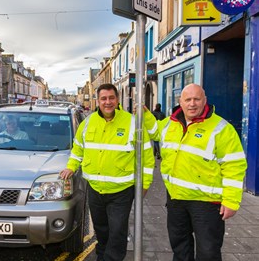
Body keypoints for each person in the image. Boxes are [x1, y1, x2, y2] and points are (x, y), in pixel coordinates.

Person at [144, 83, 247, 261]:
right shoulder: (170, 123)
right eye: (188, 99)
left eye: (196, 99)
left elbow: (234, 166)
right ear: (180, 102)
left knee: (208, 252)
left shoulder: (221, 128)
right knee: (180, 247)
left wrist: (231, 201)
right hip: (176, 199)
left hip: (206, 203)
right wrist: (144, 114)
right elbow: (154, 131)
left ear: (204, 100)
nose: (192, 104)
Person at [60, 83, 155, 261]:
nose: (107, 102)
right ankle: (102, 255)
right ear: (98, 100)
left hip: (121, 191)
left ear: (117, 99)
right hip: (95, 189)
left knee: (118, 231)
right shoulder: (88, 123)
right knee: (101, 229)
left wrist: (146, 183)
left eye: (111, 98)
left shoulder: (132, 122)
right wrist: (71, 166)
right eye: (103, 98)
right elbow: (78, 149)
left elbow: (147, 157)